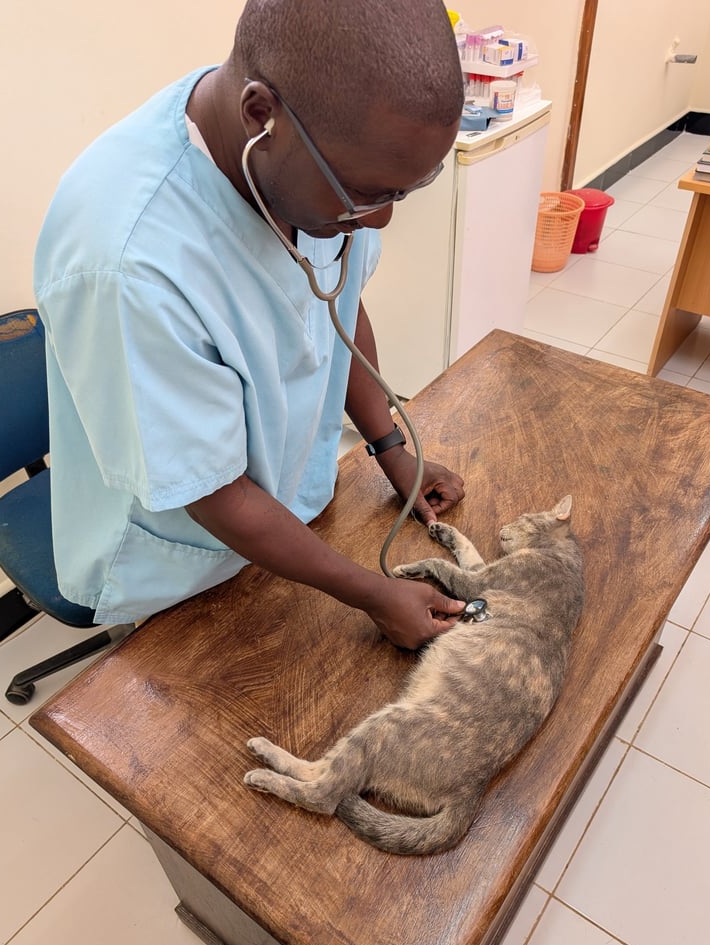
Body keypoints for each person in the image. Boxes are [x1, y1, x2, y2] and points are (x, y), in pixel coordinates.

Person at [34, 0, 468, 650]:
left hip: (290, 516)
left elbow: (339, 311)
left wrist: (391, 447)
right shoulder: (131, 259)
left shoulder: (304, 156)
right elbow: (210, 491)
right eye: (367, 194)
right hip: (179, 563)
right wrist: (373, 593)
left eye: (405, 190)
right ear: (260, 115)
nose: (379, 221)